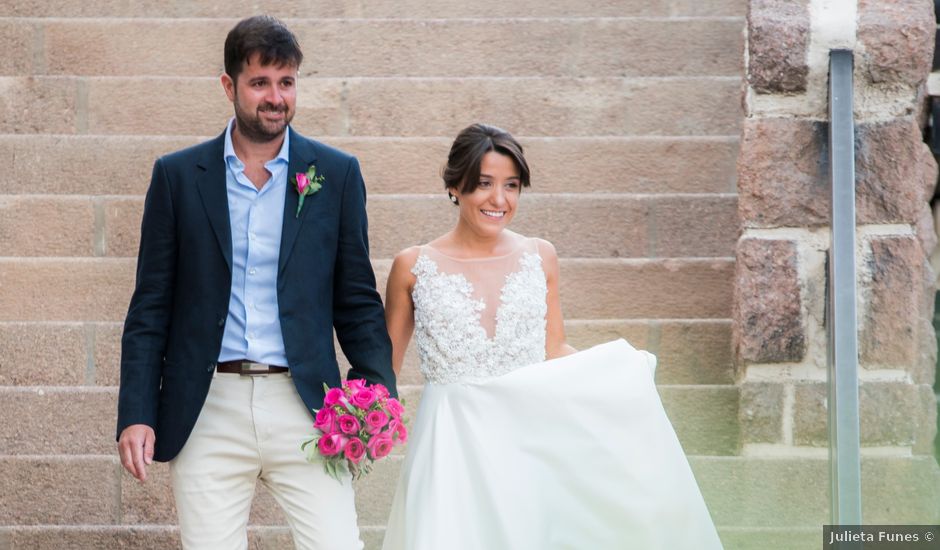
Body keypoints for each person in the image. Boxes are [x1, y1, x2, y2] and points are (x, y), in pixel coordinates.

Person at [115, 15, 395, 550]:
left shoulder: (334, 174)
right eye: (260, 82)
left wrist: (375, 392)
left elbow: (357, 299)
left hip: (307, 406)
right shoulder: (177, 177)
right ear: (229, 86)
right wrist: (136, 412)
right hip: (207, 406)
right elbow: (150, 306)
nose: (275, 97)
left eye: (286, 82)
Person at [380, 123, 723, 549]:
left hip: (527, 440)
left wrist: (616, 377)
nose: (499, 200)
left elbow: (554, 350)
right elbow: (385, 368)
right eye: (484, 184)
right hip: (450, 444)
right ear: (455, 186)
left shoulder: (539, 255)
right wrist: (358, 421)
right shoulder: (413, 266)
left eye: (512, 186)